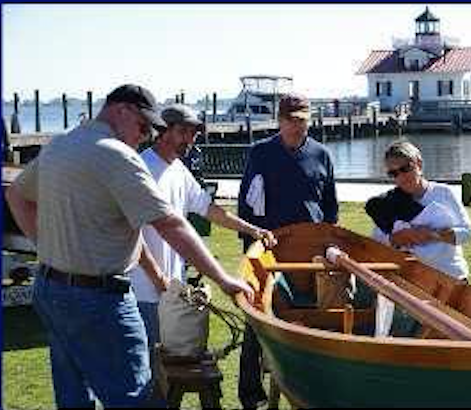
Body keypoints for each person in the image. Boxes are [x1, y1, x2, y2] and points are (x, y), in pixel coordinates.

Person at [5, 84, 254, 409]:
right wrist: (224, 279)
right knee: (137, 398)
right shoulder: (118, 156)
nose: (146, 136)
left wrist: (46, 248)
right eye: (142, 127)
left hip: (51, 291)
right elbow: (171, 225)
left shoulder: (61, 145)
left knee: (73, 396)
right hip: (100, 298)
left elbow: (16, 196)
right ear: (121, 110)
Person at [129, 103, 276, 356]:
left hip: (170, 291)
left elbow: (209, 209)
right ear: (163, 132)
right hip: (144, 292)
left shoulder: (178, 169)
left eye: (194, 133)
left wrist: (252, 229)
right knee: (149, 370)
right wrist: (158, 279)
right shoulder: (141, 170)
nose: (191, 139)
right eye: (184, 131)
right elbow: (132, 236)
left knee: (168, 368)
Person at [237, 92, 339, 409]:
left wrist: (328, 240)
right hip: (271, 249)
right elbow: (247, 205)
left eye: (302, 120)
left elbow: (330, 208)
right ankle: (251, 394)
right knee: (257, 320)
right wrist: (252, 248)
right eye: (291, 120)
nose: (297, 127)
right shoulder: (260, 154)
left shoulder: (321, 154)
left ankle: (315, 386)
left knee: (316, 315)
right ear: (279, 121)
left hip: (311, 253)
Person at [365, 140, 471, 336]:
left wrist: (433, 235)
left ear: (419, 164)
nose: (401, 177)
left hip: (451, 279)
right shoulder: (387, 203)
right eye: (393, 173)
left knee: (455, 339)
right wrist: (396, 239)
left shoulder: (443, 193)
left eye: (405, 168)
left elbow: (468, 233)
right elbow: (377, 243)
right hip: (413, 283)